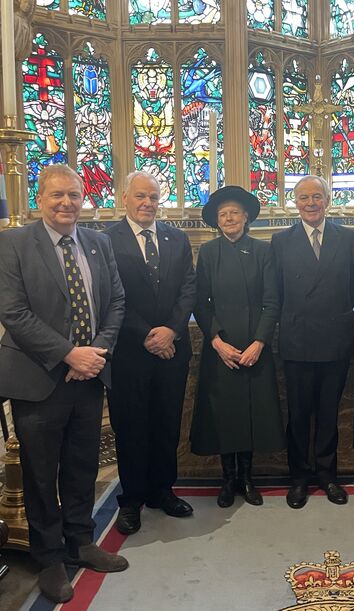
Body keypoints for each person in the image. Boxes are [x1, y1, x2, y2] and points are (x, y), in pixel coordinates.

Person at [0, 165, 127, 603]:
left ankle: (81, 540)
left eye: (74, 195)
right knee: (40, 472)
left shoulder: (98, 241)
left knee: (81, 464)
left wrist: (96, 353)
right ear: (40, 197)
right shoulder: (13, 243)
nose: (67, 203)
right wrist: (68, 354)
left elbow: (116, 302)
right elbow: (13, 313)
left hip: (89, 377)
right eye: (57, 195)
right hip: (38, 380)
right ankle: (49, 556)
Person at [105, 171, 196, 536]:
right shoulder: (105, 240)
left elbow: (189, 288)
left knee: (166, 423)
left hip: (172, 350)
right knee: (130, 427)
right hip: (130, 352)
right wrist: (147, 333)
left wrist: (171, 329)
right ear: (124, 197)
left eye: (154, 197)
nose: (147, 203)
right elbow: (110, 296)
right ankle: (132, 499)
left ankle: (163, 490)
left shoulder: (177, 238)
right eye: (140, 196)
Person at [272, 175, 354, 509]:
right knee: (298, 415)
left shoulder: (347, 238)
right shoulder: (281, 242)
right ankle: (299, 478)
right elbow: (276, 290)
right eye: (304, 197)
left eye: (317, 197)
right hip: (297, 339)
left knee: (328, 414)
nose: (311, 203)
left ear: (328, 200)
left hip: (335, 338)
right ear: (295, 202)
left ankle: (327, 475)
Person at [191, 186, 284, 507]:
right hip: (222, 349)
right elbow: (200, 303)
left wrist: (260, 342)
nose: (229, 218)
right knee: (226, 415)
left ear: (246, 217)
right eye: (222, 214)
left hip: (254, 347)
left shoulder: (263, 251)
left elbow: (272, 301)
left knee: (251, 414)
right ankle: (227, 479)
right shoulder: (208, 253)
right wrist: (216, 341)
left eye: (234, 212)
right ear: (217, 222)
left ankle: (247, 477)